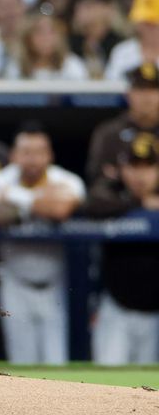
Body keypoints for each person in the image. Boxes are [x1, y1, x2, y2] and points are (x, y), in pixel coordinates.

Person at [0, 124, 85, 365]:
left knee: (57, 363)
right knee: (21, 363)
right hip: (15, 282)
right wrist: (39, 202)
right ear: (14, 155)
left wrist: (15, 198)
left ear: (50, 155)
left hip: (54, 284)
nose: (33, 159)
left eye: (39, 151)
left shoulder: (65, 178)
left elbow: (60, 209)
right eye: (26, 152)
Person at [83, 135, 159, 365]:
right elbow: (91, 204)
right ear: (122, 169)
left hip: (156, 314)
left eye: (148, 167)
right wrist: (140, 205)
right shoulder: (111, 194)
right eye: (134, 167)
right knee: (108, 383)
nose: (140, 175)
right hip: (116, 308)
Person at [87, 63, 159, 182]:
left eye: (153, 90)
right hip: (120, 197)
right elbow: (96, 174)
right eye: (141, 89)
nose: (147, 97)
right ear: (128, 94)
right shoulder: (109, 132)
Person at [106, 0, 159, 80]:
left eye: (154, 23)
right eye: (146, 23)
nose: (150, 29)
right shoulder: (121, 52)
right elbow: (112, 89)